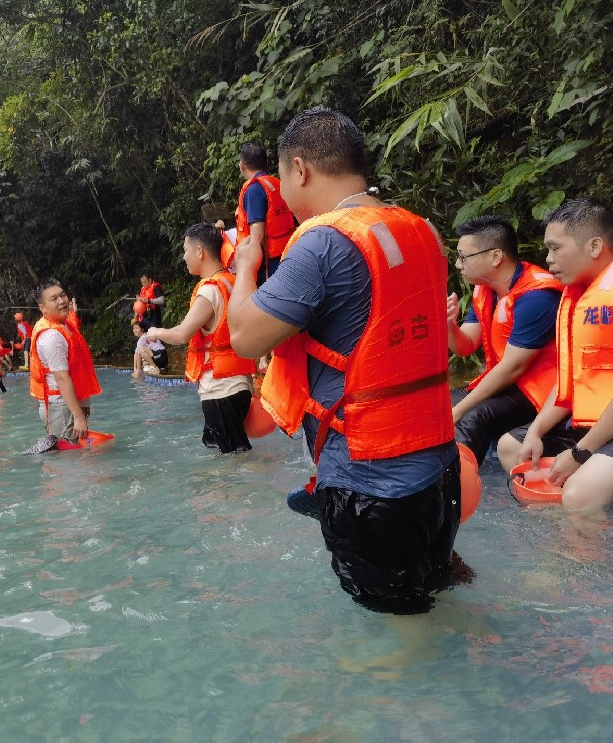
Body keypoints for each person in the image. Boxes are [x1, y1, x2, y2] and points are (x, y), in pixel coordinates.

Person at [227, 107, 459, 613]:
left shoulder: (323, 243)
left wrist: (246, 267)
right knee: (434, 597)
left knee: (394, 634)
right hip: (439, 461)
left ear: (300, 169)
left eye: (283, 177)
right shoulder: (421, 230)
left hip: (370, 481)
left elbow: (244, 336)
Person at [497, 198, 613, 511]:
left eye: (555, 248)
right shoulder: (578, 294)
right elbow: (572, 382)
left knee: (580, 493)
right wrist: (536, 430)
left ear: (594, 246)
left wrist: (580, 453)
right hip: (592, 423)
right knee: (513, 448)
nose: (548, 259)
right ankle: (561, 536)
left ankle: (590, 547)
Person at [447, 216, 563, 463]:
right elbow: (466, 345)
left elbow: (512, 368)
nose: (458, 264)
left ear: (495, 257)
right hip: (508, 382)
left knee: (472, 415)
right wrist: (448, 325)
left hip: (538, 391)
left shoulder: (537, 297)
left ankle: (457, 486)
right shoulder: (485, 288)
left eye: (463, 257)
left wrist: (459, 410)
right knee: (442, 402)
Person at [147, 223, 256, 453]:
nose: (184, 256)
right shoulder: (233, 281)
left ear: (199, 252)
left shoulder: (209, 291)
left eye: (186, 250)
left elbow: (181, 333)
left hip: (220, 389)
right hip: (239, 382)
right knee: (225, 449)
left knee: (234, 459)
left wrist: (155, 332)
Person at [29, 279, 102, 443]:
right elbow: (61, 378)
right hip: (62, 408)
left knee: (73, 459)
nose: (62, 301)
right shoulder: (51, 336)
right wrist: (78, 416)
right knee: (67, 463)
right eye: (54, 299)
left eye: (62, 295)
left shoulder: (64, 325)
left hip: (67, 407)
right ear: (42, 308)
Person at [235, 141, 296, 283]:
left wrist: (248, 264)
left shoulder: (254, 189)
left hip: (269, 263)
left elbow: (257, 231)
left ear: (242, 165)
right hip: (287, 250)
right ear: (266, 162)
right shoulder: (275, 183)